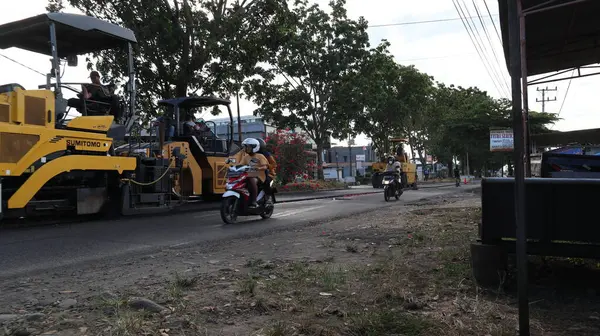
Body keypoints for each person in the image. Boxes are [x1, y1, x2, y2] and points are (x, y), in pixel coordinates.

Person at [240, 138, 269, 208]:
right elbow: (240, 165)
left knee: (251, 179)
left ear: (254, 147)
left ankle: (254, 201)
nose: (246, 149)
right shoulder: (245, 157)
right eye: (245, 147)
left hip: (259, 176)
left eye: (248, 147)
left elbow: (265, 167)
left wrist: (258, 168)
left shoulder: (260, 156)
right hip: (248, 175)